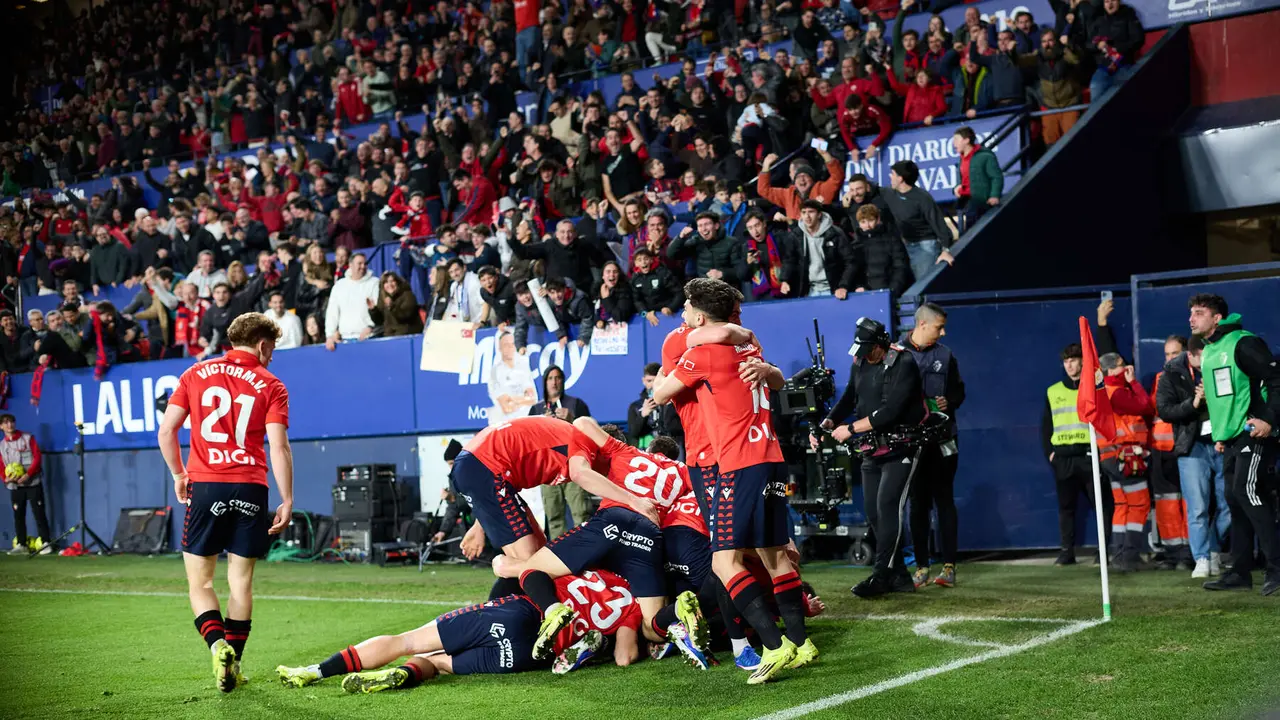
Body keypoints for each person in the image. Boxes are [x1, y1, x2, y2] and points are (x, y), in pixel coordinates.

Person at [653, 278, 814, 684]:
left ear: (700, 317)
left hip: (738, 465)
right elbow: (773, 376)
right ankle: (801, 643)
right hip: (773, 459)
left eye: (688, 308)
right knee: (774, 554)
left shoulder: (700, 351)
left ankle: (771, 646)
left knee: (725, 561)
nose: (683, 314)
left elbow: (659, 394)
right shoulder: (748, 344)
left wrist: (668, 370)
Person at [493, 419, 710, 668]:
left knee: (532, 570)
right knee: (651, 627)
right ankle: (679, 609)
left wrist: (629, 497)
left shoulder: (625, 451)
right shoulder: (683, 473)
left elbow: (582, 422)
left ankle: (553, 610)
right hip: (649, 538)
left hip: (613, 522)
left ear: (649, 450)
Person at [157, 313, 294, 693]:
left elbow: (167, 431)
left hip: (206, 486)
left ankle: (217, 646)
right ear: (263, 346)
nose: (272, 357)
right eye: (273, 350)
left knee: (200, 583)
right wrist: (286, 499)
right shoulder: (272, 384)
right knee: (240, 583)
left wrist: (179, 474)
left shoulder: (194, 373)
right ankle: (234, 665)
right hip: (251, 488)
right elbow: (278, 447)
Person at [275, 568, 641, 692]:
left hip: (519, 614)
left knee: (409, 640)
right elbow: (626, 658)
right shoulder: (637, 605)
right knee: (442, 663)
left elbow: (527, 570)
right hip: (526, 658)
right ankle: (405, 673)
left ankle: (316, 671)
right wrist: (613, 646)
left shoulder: (594, 570)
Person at [452, 416, 658, 598]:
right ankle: (496, 619)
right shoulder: (584, 442)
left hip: (481, 468)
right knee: (532, 565)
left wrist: (480, 524)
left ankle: (512, 613)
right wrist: (634, 501)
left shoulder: (570, 437)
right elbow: (580, 474)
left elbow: (502, 458)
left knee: (542, 556)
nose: (611, 476)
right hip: (485, 470)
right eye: (613, 468)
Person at [820, 317, 929, 598]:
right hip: (872, 450)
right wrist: (830, 422)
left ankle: (881, 576)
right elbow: (849, 397)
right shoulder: (860, 362)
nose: (865, 354)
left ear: (881, 344)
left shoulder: (903, 363)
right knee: (873, 511)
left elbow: (892, 410)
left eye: (869, 349)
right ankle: (900, 577)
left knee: (888, 506)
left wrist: (852, 428)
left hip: (901, 448)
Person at [1187, 294, 1280, 596]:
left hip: (1255, 432)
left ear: (1217, 318)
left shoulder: (1243, 342)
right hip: (1230, 440)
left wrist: (1269, 420)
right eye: (1191, 313)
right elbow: (1224, 398)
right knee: (1235, 500)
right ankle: (1240, 572)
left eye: (1199, 313)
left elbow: (1276, 378)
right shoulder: (1211, 350)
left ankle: (1276, 568)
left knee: (1248, 492)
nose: (1192, 318)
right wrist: (1221, 437)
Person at [900, 304, 965, 588]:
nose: (944, 332)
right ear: (922, 324)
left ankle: (949, 567)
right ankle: (922, 567)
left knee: (944, 500)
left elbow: (959, 391)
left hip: (943, 439)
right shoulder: (898, 353)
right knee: (918, 505)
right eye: (939, 327)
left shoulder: (946, 355)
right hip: (912, 441)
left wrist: (949, 401)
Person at [1156, 334, 1229, 578]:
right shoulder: (1171, 374)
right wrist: (1195, 402)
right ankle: (1202, 558)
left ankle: (1214, 549)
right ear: (1191, 355)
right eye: (1202, 359)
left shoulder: (1221, 365)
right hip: (1192, 446)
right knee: (1197, 507)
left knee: (1229, 504)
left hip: (1223, 443)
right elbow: (1165, 411)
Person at [1043, 341, 1114, 565]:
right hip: (1063, 458)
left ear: (1083, 362)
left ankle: (1102, 552)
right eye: (1066, 361)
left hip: (1089, 455)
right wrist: (1051, 454)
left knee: (1101, 506)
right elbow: (1046, 426)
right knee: (1066, 508)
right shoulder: (1053, 391)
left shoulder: (1093, 389)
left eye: (1073, 360)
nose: (1069, 365)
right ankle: (1067, 552)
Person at [1095, 352, 1154, 572]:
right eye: (1122, 366)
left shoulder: (1101, 392)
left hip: (1109, 456)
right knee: (1139, 505)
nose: (1127, 367)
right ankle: (1130, 556)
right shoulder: (1117, 392)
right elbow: (1145, 407)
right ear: (1111, 371)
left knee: (1122, 506)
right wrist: (1134, 382)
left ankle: (1118, 553)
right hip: (1126, 457)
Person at [529, 365, 594, 540]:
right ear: (544, 382)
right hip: (548, 470)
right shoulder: (536, 410)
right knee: (554, 516)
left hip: (573, 465)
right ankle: (560, 558)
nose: (554, 382)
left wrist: (572, 419)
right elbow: (529, 441)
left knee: (581, 513)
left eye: (558, 378)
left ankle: (586, 554)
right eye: (550, 378)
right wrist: (543, 424)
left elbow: (592, 433)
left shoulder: (576, 404)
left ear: (563, 381)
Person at [1146, 335, 1192, 570]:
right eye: (1167, 354)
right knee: (1166, 505)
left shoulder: (1190, 377)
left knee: (1189, 503)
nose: (1170, 358)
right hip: (1160, 451)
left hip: (1183, 448)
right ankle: (1173, 553)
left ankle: (1190, 554)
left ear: (1185, 353)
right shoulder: (1158, 378)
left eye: (1174, 353)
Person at [880, 161, 955, 285]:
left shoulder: (923, 198)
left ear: (901, 178)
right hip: (904, 246)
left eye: (892, 174)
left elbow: (939, 225)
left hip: (925, 247)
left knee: (923, 286)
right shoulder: (888, 193)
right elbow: (869, 188)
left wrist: (946, 250)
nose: (890, 176)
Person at [2, 414, 52, 555]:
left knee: (39, 513)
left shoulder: (27, 438)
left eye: (11, 422)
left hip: (33, 483)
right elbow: (1, 465)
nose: (9, 425)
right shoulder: (2, 445)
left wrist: (28, 474)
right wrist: (6, 478)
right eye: (5, 423)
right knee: (18, 515)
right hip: (15, 486)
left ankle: (46, 542)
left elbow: (37, 457)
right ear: (1, 426)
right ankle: (22, 544)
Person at [951, 127, 1002, 232]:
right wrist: (956, 188)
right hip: (967, 201)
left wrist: (994, 195)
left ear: (966, 140)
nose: (953, 143)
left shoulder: (985, 156)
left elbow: (996, 177)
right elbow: (962, 180)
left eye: (956, 139)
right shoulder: (961, 159)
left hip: (981, 202)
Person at [324, 253, 380, 349]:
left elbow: (378, 309)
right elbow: (332, 313)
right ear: (350, 265)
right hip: (345, 340)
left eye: (365, 263)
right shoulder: (339, 285)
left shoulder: (374, 283)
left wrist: (371, 327)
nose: (363, 266)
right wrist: (330, 335)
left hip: (369, 338)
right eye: (359, 263)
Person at [486, 330, 538, 425]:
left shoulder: (523, 368)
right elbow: (507, 407)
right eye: (506, 344)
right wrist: (523, 399)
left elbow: (533, 399)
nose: (510, 347)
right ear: (500, 348)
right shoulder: (495, 373)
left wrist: (511, 399)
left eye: (512, 344)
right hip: (505, 425)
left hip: (526, 423)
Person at [369, 272, 424, 337]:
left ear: (397, 282)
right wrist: (373, 310)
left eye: (392, 281)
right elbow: (379, 321)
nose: (389, 284)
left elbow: (405, 315)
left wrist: (392, 306)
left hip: (407, 335)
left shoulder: (407, 295)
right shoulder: (383, 298)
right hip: (390, 336)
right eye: (386, 282)